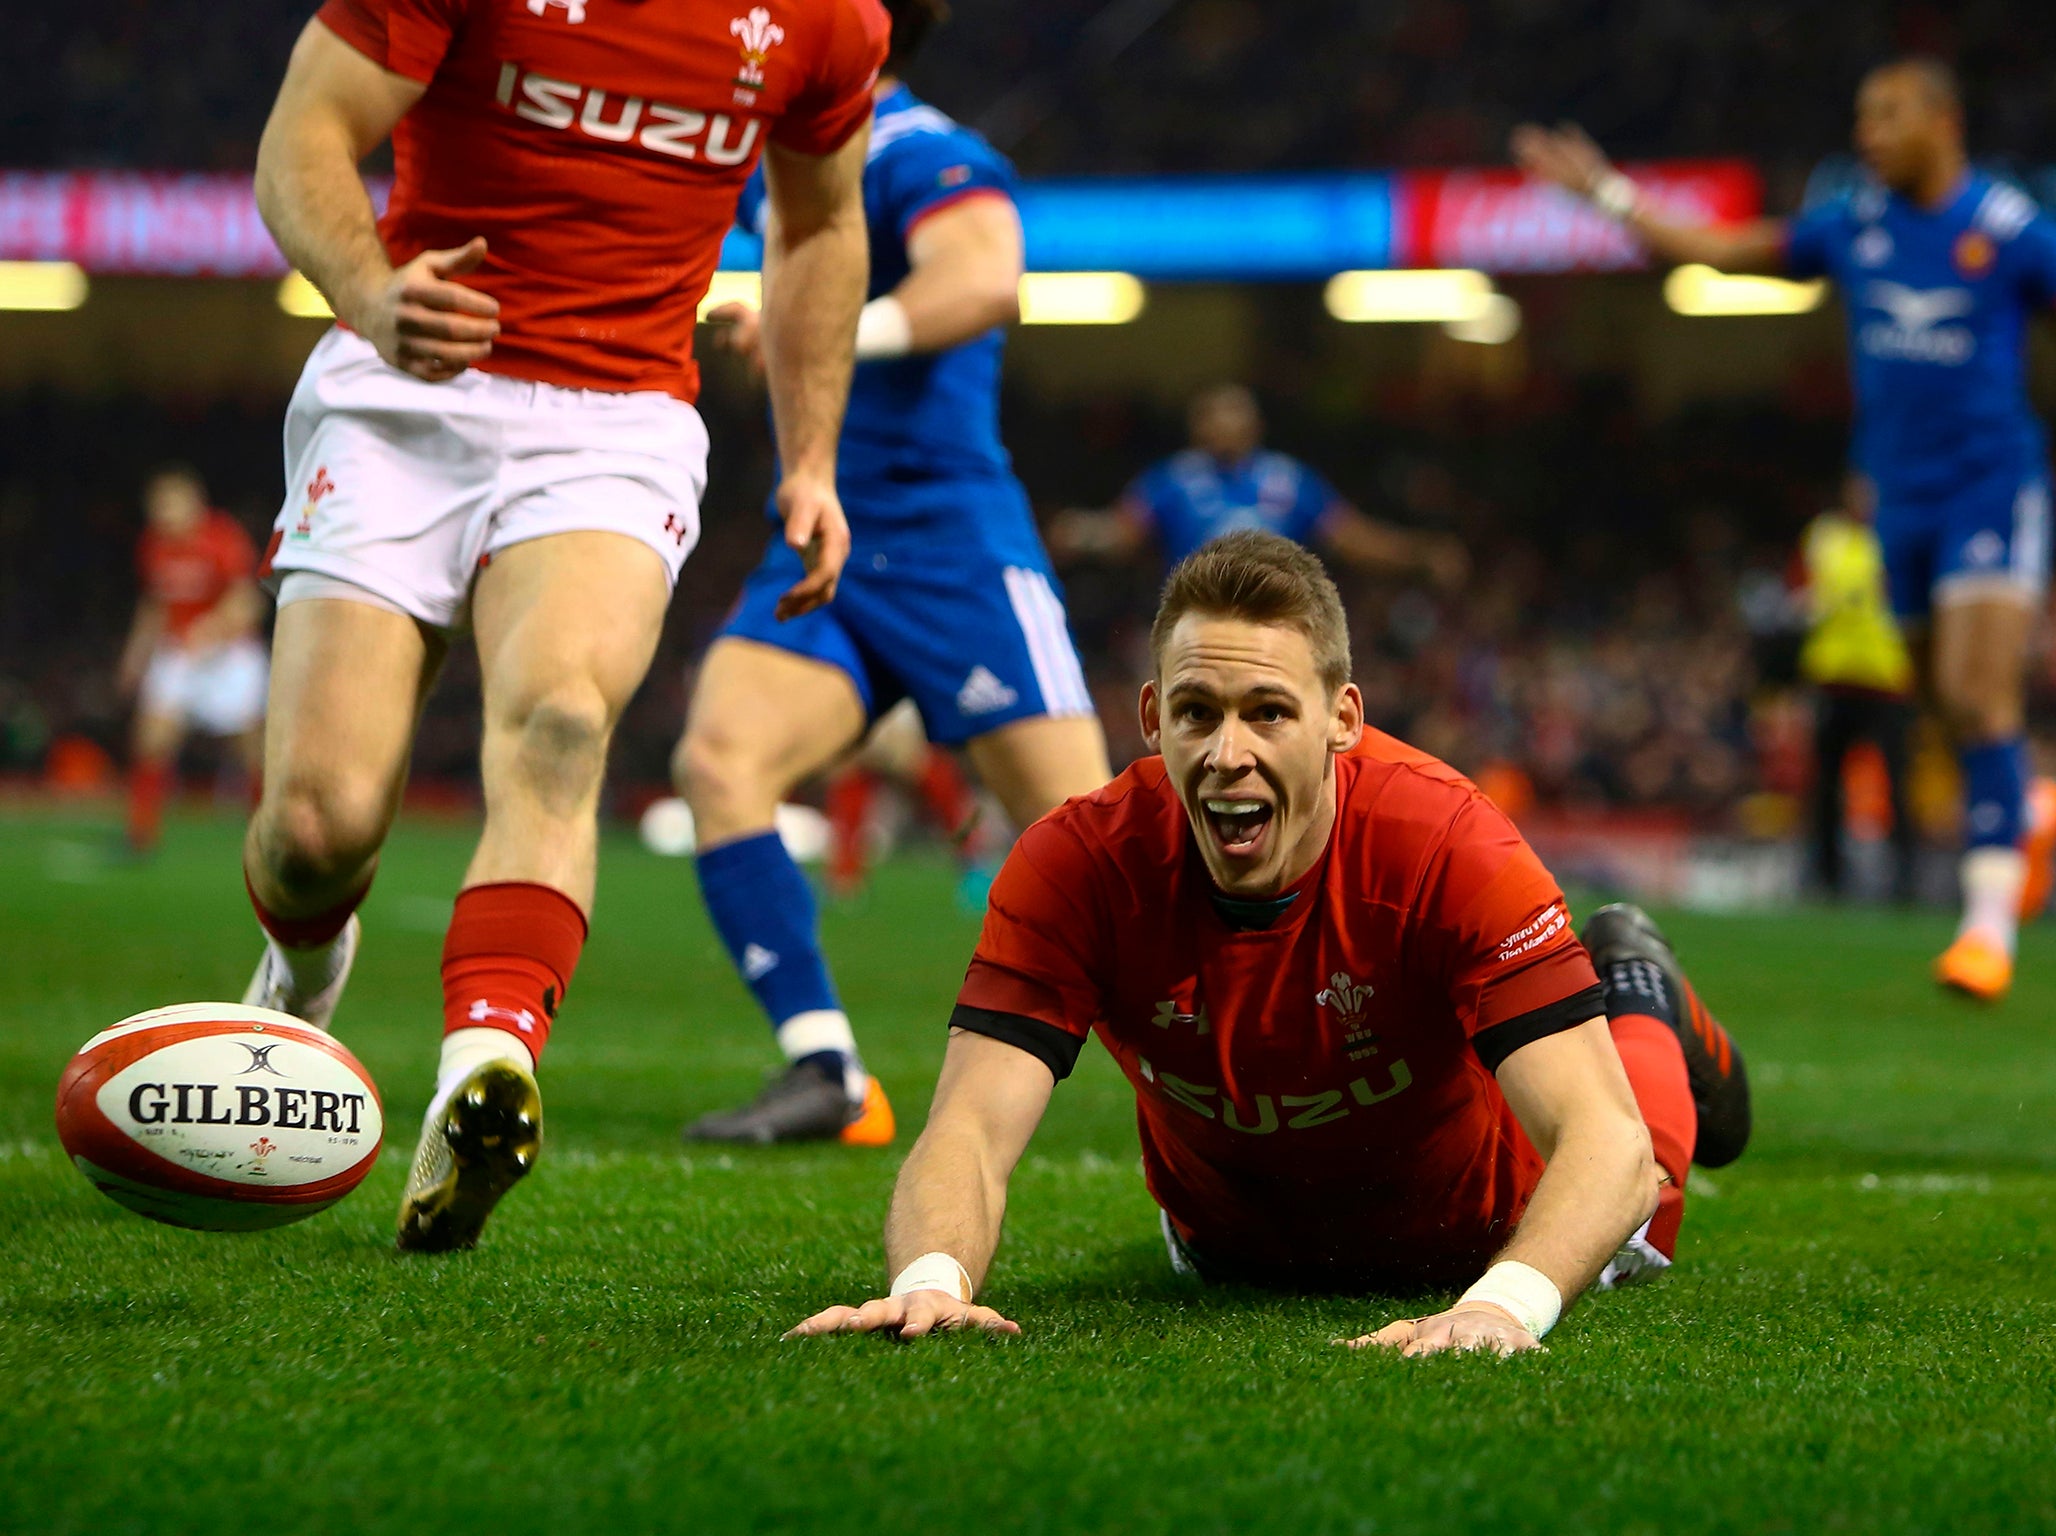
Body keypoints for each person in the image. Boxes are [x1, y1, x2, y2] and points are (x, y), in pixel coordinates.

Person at [238, 0, 887, 1252]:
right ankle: (299, 976)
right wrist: (369, 294)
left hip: (616, 415)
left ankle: (483, 1074)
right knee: (315, 828)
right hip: (407, 388)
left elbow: (821, 221)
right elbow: (303, 134)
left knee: (562, 719)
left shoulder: (829, 21)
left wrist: (811, 458)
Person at [787, 532, 1751, 1354]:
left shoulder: (1448, 844)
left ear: (1343, 720)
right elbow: (969, 1127)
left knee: (1648, 1171)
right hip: (1228, 1249)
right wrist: (931, 1280)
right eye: (1198, 712)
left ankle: (1639, 989)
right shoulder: (1077, 862)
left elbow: (1607, 1150)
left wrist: (1503, 1306)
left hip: (1483, 1231)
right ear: (1154, 717)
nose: (1227, 752)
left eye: (1269, 713)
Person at [1515, 57, 2056, 1001]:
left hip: (1991, 484)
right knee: (1945, 705)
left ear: (1943, 120)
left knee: (1978, 695)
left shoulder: (2005, 232)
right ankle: (2013, 830)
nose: (1868, 135)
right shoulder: (1855, 226)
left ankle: (1986, 929)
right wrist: (1603, 190)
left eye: (1886, 116)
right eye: (1862, 116)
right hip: (1901, 500)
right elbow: (1709, 249)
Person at [672, 0, 1111, 1146]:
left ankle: (1259, 1090)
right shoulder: (770, 161)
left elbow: (982, 278)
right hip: (824, 535)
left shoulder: (932, 153)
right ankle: (825, 1068)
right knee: (719, 761)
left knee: (1093, 846)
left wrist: (821, 331)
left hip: (953, 541)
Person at [1048, 383, 1468, 585]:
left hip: (1278, 612)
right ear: (1197, 425)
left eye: (1234, 414)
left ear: (1256, 424)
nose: (1223, 424)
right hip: (1196, 611)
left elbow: (1352, 538)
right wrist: (1079, 534)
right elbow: (1122, 533)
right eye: (1213, 415)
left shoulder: (1289, 480)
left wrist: (1418, 552)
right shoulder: (1173, 479)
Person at [116, 465, 268, 855]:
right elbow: (154, 604)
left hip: (229, 656)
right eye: (157, 507)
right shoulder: (153, 544)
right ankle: (140, 836)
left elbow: (247, 600)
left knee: (252, 749)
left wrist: (212, 632)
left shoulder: (221, 537)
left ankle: (267, 837)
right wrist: (136, 655)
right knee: (151, 739)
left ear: (194, 504)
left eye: (170, 505)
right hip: (178, 651)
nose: (163, 515)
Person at [1795, 473, 1917, 900]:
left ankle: (1907, 878)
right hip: (1835, 678)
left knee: (1898, 782)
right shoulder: (1826, 537)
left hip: (1887, 678)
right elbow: (1810, 593)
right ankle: (1825, 876)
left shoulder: (1898, 533)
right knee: (1826, 783)